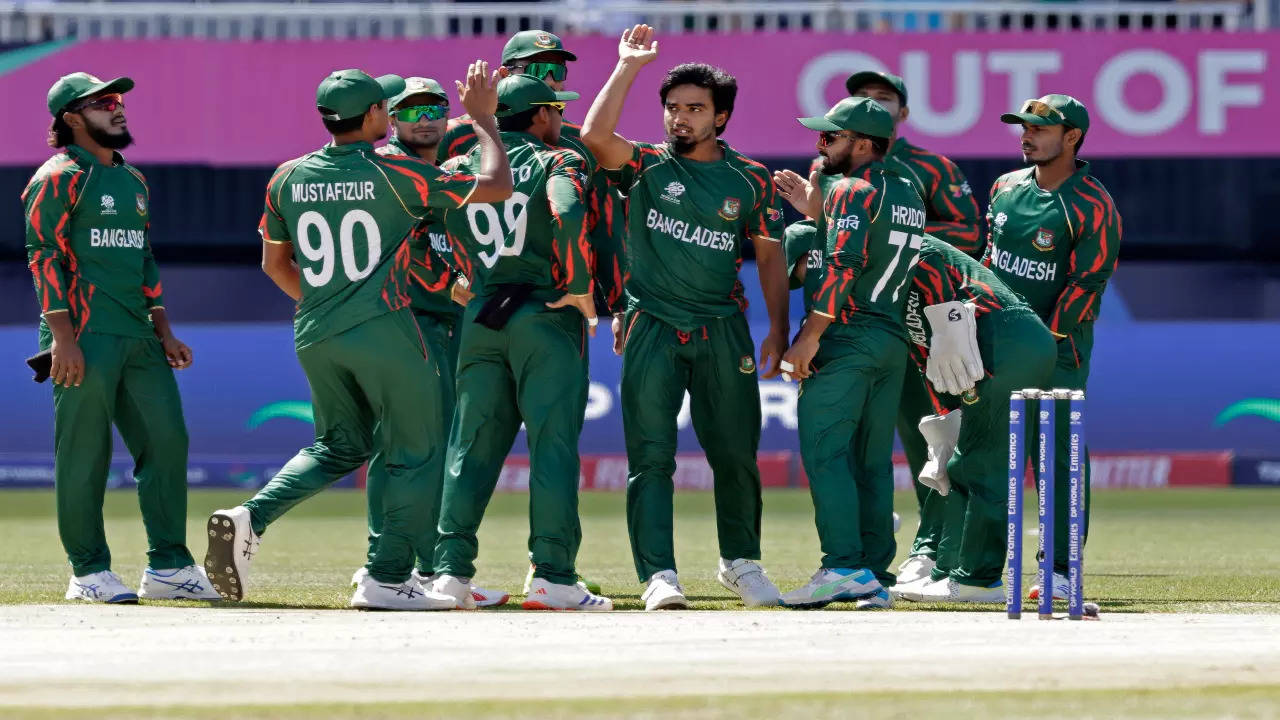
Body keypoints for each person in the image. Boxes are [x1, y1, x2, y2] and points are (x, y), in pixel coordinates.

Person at [204, 64, 513, 610]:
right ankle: (386, 577)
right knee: (415, 452)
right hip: (388, 330)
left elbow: (275, 264)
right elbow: (496, 187)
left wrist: (331, 305)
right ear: (376, 115)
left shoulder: (287, 176)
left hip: (316, 331)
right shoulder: (396, 171)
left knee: (340, 445)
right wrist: (485, 120)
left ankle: (250, 516)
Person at [582, 24, 791, 611]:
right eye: (673, 108)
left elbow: (771, 258)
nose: (681, 118)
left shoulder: (750, 179)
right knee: (650, 459)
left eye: (695, 109)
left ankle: (741, 563)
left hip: (724, 329)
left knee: (735, 455)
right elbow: (596, 136)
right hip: (650, 325)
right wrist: (628, 67)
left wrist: (777, 328)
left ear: (720, 117)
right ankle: (659, 574)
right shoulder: (646, 164)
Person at [24, 72, 217, 603]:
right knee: (85, 454)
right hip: (83, 336)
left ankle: (170, 567)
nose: (118, 108)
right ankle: (88, 572)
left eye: (119, 100)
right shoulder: (58, 177)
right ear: (71, 119)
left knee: (167, 442)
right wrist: (62, 339)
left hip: (138, 336)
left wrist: (164, 330)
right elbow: (44, 257)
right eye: (103, 103)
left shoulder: (133, 181)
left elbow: (144, 261)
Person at [427, 74, 612, 612]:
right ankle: (552, 576)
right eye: (556, 109)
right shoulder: (560, 162)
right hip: (544, 314)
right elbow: (569, 212)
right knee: (552, 448)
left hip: (483, 315)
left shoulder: (462, 169)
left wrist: (454, 281)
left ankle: (450, 575)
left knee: (470, 448)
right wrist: (579, 287)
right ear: (539, 115)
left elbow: (420, 227)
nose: (561, 119)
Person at [349, 75, 506, 607]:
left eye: (434, 107)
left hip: (450, 322)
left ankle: (417, 566)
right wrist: (449, 286)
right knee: (404, 444)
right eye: (411, 109)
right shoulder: (388, 168)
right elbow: (400, 248)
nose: (425, 117)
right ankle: (398, 565)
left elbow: (481, 121)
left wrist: (489, 102)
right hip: (408, 319)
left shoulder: (452, 150)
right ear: (390, 118)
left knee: (426, 444)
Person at [771, 97, 926, 609]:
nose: (821, 145)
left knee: (826, 451)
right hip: (889, 338)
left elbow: (843, 263)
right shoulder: (907, 189)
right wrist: (818, 209)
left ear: (862, 144)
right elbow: (877, 240)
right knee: (872, 460)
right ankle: (874, 573)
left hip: (847, 334)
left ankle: (841, 566)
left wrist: (810, 334)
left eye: (830, 137)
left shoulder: (852, 189)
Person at [838, 71, 985, 587]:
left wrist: (894, 232)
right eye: (862, 99)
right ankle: (867, 535)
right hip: (856, 323)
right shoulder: (831, 164)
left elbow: (970, 230)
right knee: (854, 443)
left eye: (883, 100)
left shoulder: (930, 167)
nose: (871, 106)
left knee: (930, 438)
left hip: (921, 322)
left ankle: (929, 547)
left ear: (902, 114)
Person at [985, 94, 1121, 601]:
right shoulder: (1004, 187)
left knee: (1056, 457)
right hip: (995, 346)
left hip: (1058, 351)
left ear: (1072, 138)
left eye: (1040, 129)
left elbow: (1087, 284)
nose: (1027, 135)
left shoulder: (1093, 204)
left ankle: (1059, 572)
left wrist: (1040, 342)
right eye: (1023, 126)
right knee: (982, 453)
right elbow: (989, 264)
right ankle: (968, 570)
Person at [887, 236, 1056, 602]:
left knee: (983, 462)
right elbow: (924, 354)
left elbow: (929, 263)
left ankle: (979, 579)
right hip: (988, 342)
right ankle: (947, 572)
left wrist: (947, 323)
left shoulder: (896, 238)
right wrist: (944, 416)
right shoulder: (879, 279)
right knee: (958, 463)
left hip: (1004, 334)